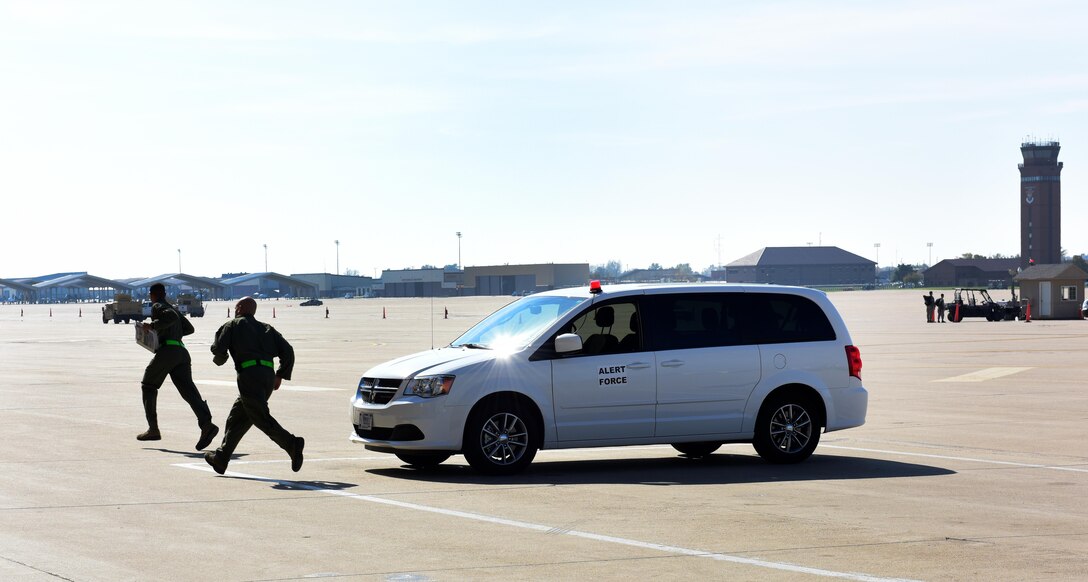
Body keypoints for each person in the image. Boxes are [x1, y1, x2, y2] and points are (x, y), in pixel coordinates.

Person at [204, 296, 304, 475]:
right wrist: (280, 374)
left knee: (260, 417)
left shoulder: (233, 325)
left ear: (240, 307)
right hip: (267, 377)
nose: (235, 311)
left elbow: (219, 351)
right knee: (237, 417)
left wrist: (219, 356)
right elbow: (288, 351)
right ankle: (221, 458)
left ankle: (291, 444)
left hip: (249, 376)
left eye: (236, 307)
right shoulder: (267, 328)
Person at [137, 283, 219, 449]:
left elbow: (171, 318)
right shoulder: (172, 307)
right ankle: (206, 425)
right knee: (189, 391)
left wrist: (152, 326)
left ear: (152, 294)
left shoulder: (158, 306)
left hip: (168, 352)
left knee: (148, 386)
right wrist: (173, 332)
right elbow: (189, 328)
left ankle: (153, 429)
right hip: (181, 352)